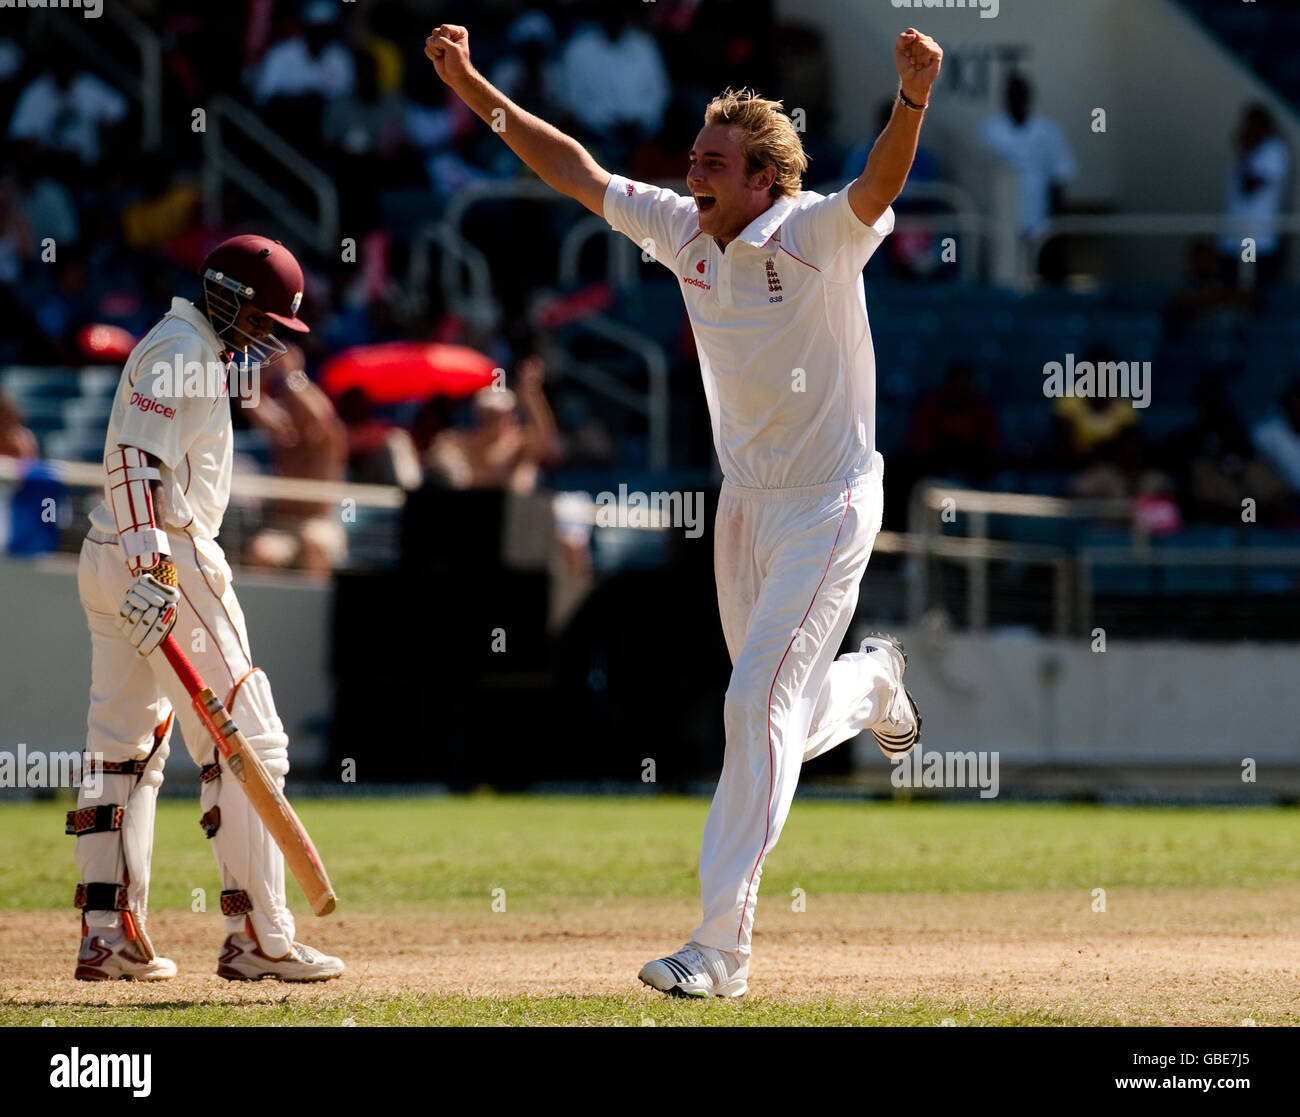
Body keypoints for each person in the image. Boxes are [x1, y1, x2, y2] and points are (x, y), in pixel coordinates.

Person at [426, 22, 933, 997]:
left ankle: (719, 950)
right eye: (691, 161)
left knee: (753, 706)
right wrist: (474, 87)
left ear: (763, 181)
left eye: (712, 164)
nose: (689, 175)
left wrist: (909, 98)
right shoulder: (679, 229)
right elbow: (573, 170)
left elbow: (878, 188)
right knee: (776, 712)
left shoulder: (815, 232)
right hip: (744, 507)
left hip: (829, 504)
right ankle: (871, 685)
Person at [71, 234, 343, 982]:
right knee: (251, 739)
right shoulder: (183, 349)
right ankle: (259, 934)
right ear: (230, 300)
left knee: (122, 748)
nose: (265, 339)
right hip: (167, 552)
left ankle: (108, 932)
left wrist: (136, 557)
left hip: (115, 553)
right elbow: (132, 457)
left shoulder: (187, 346)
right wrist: (153, 561)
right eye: (264, 321)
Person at [1219, 103, 1290, 287]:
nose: (1247, 129)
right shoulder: (1244, 154)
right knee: (1230, 281)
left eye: (1253, 125)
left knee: (1247, 285)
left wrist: (1244, 152)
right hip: (1233, 236)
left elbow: (1249, 187)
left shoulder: (1272, 151)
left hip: (1252, 239)